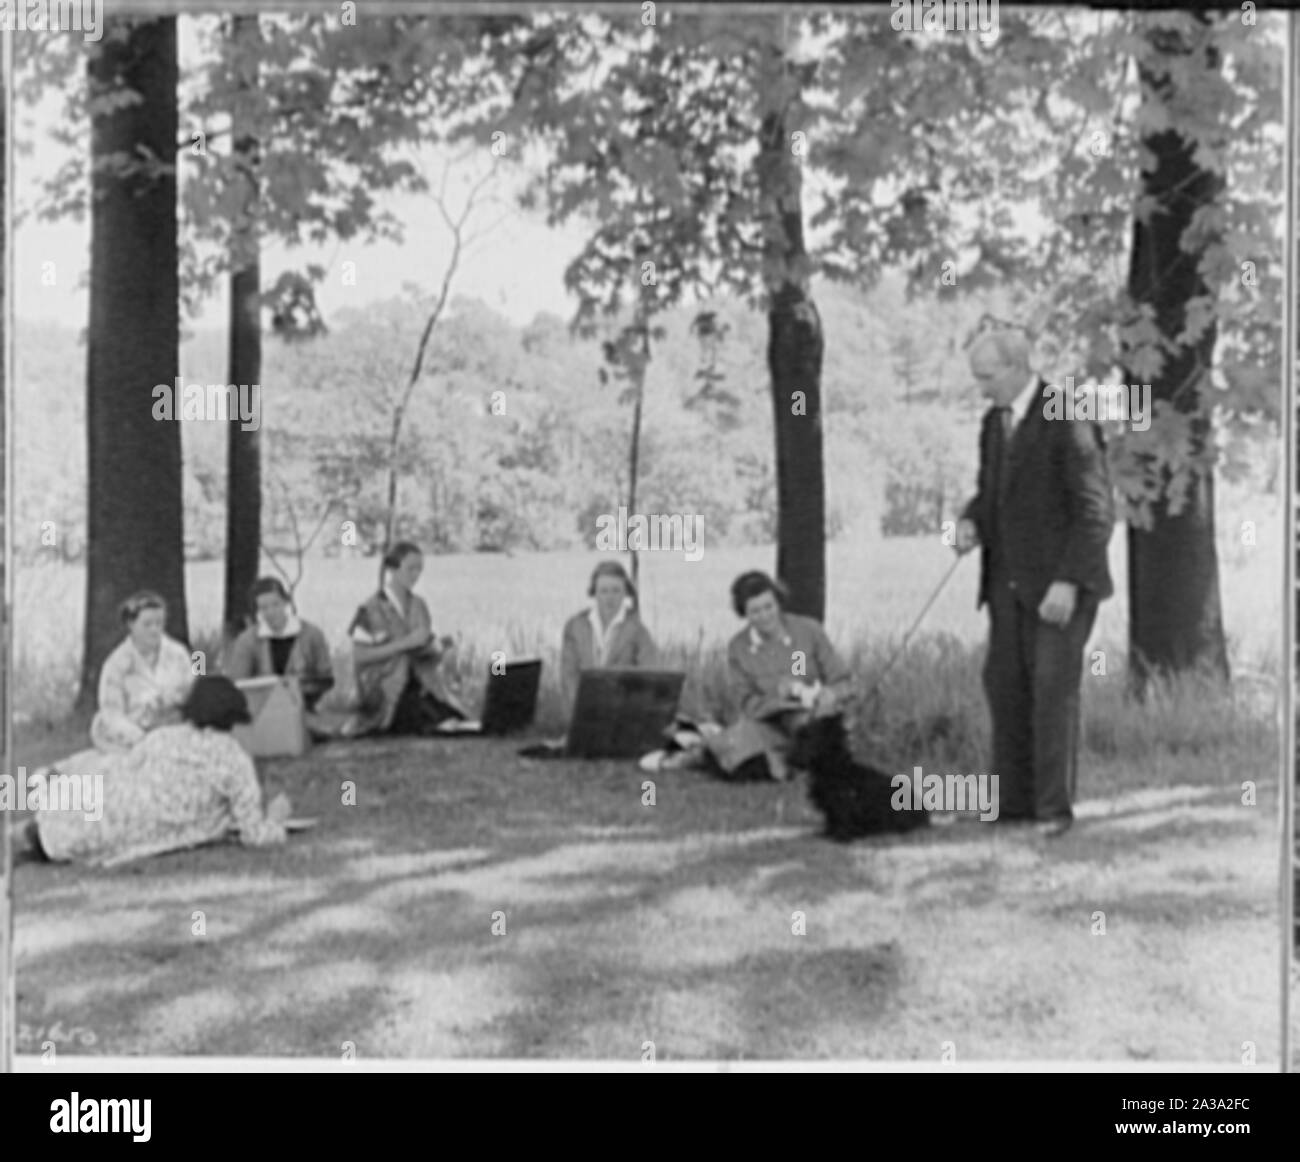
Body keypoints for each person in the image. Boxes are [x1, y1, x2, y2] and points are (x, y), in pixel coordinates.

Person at [954, 325, 1115, 837]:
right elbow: (990, 495)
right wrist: (968, 522)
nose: (981, 388)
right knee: (1004, 688)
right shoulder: (992, 423)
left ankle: (1052, 813)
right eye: (976, 378)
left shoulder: (1067, 413)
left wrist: (1068, 583)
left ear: (1019, 367)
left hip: (1060, 589)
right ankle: (1011, 805)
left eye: (987, 376)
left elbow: (1096, 512)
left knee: (1051, 694)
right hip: (1005, 587)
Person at [25, 676, 290, 867]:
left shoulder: (163, 737)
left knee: (41, 826)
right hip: (117, 838)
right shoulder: (234, 758)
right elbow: (254, 834)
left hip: (86, 815)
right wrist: (276, 819)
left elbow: (122, 771)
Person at [701, 571, 853, 782]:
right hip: (768, 724)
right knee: (733, 743)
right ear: (743, 613)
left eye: (769, 607)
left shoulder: (808, 630)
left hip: (813, 717)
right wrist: (778, 701)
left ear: (779, 603)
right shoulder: (739, 647)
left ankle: (794, 764)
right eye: (755, 611)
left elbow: (844, 682)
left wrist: (831, 694)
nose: (764, 616)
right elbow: (745, 701)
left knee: (813, 732)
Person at [333, 541, 469, 736]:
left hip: (421, 684)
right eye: (410, 568)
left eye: (419, 569)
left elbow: (424, 649)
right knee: (428, 721)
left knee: (455, 720)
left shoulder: (419, 605)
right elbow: (359, 656)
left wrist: (438, 648)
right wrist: (404, 644)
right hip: (384, 689)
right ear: (393, 569)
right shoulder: (369, 608)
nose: (415, 575)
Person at [90, 590, 195, 753]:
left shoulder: (179, 654)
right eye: (147, 624)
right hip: (134, 740)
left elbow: (194, 693)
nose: (154, 630)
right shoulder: (116, 664)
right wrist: (142, 740)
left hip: (176, 734)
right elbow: (112, 715)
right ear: (131, 625)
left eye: (159, 623)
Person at [559, 560, 660, 717]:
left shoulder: (638, 631)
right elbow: (568, 676)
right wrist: (582, 710)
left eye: (616, 591)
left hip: (623, 715)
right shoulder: (575, 627)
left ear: (625, 593)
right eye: (604, 591)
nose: (610, 597)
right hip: (582, 713)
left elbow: (650, 677)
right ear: (594, 592)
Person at [222, 577, 335, 709]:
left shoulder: (312, 635)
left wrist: (299, 690)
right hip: (261, 711)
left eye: (276, 604)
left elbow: (326, 678)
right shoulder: (248, 640)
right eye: (264, 608)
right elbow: (238, 681)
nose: (271, 612)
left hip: (305, 708)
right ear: (258, 611)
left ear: (286, 602)